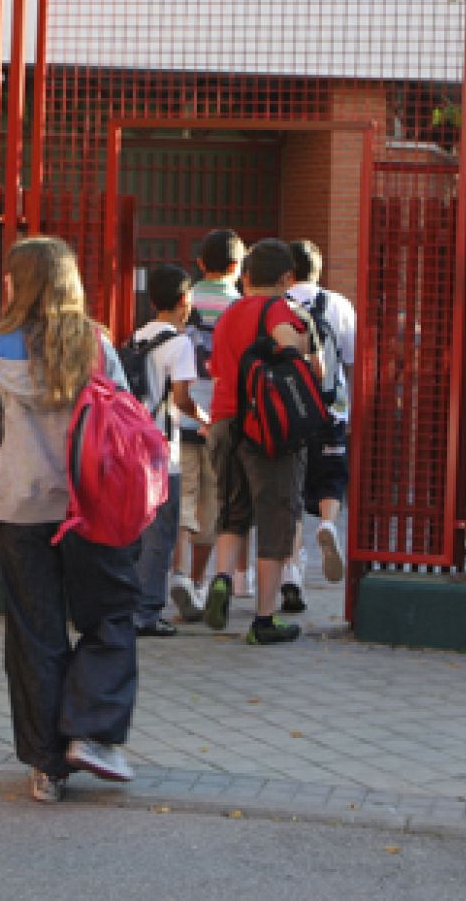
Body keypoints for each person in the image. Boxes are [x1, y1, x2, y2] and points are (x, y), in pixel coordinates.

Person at [0, 236, 141, 802]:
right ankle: (91, 734)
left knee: (34, 634)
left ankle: (46, 765)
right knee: (108, 617)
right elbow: (121, 424)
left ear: (21, 283)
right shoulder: (95, 345)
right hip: (91, 505)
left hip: (23, 506)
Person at [202, 238, 313, 645]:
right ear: (287, 278)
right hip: (265, 430)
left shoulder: (230, 313)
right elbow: (290, 350)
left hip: (223, 421)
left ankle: (221, 579)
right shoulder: (280, 310)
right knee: (274, 517)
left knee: (233, 512)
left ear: (246, 276)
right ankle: (265, 619)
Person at [169, 229, 245, 621]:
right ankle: (200, 583)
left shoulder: (186, 300)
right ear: (237, 267)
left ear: (200, 263)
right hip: (221, 417)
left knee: (184, 498)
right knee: (214, 502)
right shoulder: (241, 307)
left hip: (181, 413)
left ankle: (179, 574)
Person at [130, 264, 206, 635]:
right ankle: (147, 613)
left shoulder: (135, 338)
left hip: (131, 447)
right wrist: (202, 416)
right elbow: (182, 398)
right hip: (164, 452)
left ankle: (129, 606)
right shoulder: (180, 343)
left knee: (134, 532)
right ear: (183, 301)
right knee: (160, 534)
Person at [284, 239, 356, 608]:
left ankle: (293, 567)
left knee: (293, 490)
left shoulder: (278, 306)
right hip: (332, 408)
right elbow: (350, 357)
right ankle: (328, 525)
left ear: (287, 271)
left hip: (291, 412)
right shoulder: (339, 305)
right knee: (331, 478)